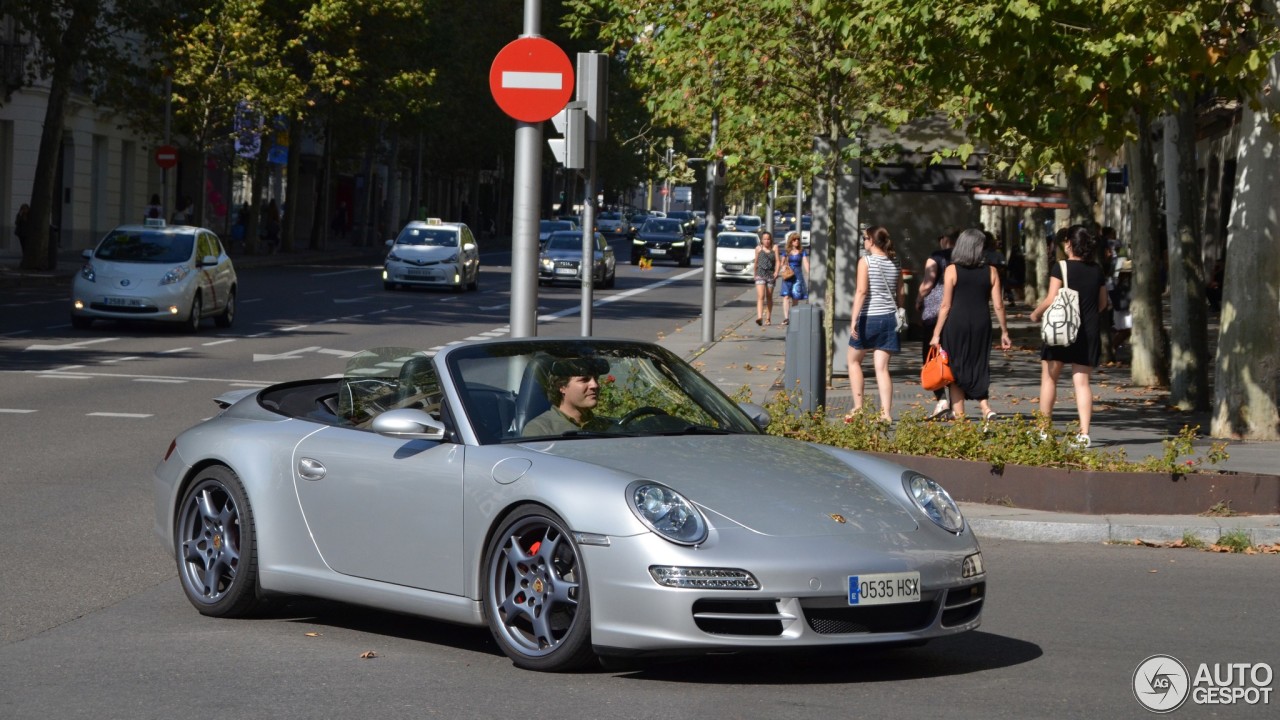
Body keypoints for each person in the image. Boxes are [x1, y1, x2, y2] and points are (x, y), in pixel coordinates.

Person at [1029, 224, 1110, 448]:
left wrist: (1036, 314)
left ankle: (1044, 431)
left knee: (1049, 378)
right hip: (1088, 331)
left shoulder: (1061, 267)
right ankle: (1084, 434)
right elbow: (1102, 304)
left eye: (1067, 241)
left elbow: (1051, 299)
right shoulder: (1097, 270)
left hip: (1061, 329)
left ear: (1071, 244)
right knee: (1082, 383)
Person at [930, 228, 1012, 421]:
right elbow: (999, 305)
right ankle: (985, 407)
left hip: (956, 323)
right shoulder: (991, 271)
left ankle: (960, 419)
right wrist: (1005, 331)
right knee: (978, 364)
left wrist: (936, 333)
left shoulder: (952, 270)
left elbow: (945, 305)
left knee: (955, 367)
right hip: (981, 322)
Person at [846, 225, 902, 424]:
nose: (863, 242)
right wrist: (900, 311)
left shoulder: (866, 261)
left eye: (864, 239)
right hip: (889, 318)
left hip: (869, 316)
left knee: (853, 360)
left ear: (871, 240)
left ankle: (859, 407)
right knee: (882, 368)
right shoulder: (895, 261)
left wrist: (853, 319)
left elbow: (861, 292)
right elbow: (900, 291)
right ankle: (886, 413)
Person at [915, 229, 956, 418]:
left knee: (930, 356)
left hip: (934, 313)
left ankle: (941, 399)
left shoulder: (936, 256)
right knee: (952, 357)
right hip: (957, 312)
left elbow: (928, 284)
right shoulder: (963, 258)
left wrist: (918, 298)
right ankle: (956, 404)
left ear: (944, 239)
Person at [521, 357, 614, 436]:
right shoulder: (541, 429)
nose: (595, 385)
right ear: (562, 386)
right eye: (584, 380)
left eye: (596, 379)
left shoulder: (608, 428)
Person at [779, 231, 809, 325]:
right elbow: (782, 262)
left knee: (795, 296)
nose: (796, 241)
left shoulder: (802, 252)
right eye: (794, 240)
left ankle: (793, 316)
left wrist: (809, 273)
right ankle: (786, 317)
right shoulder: (786, 252)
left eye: (798, 240)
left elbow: (805, 263)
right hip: (788, 275)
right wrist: (783, 266)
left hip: (798, 275)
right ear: (791, 241)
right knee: (786, 296)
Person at [753, 231, 780, 326]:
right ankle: (759, 317)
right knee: (760, 296)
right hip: (760, 273)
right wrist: (754, 273)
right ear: (761, 240)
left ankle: (768, 318)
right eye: (764, 239)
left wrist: (776, 271)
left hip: (770, 274)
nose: (767, 241)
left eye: (768, 239)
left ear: (771, 239)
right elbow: (756, 262)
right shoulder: (758, 248)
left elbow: (777, 261)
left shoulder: (775, 248)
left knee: (769, 296)